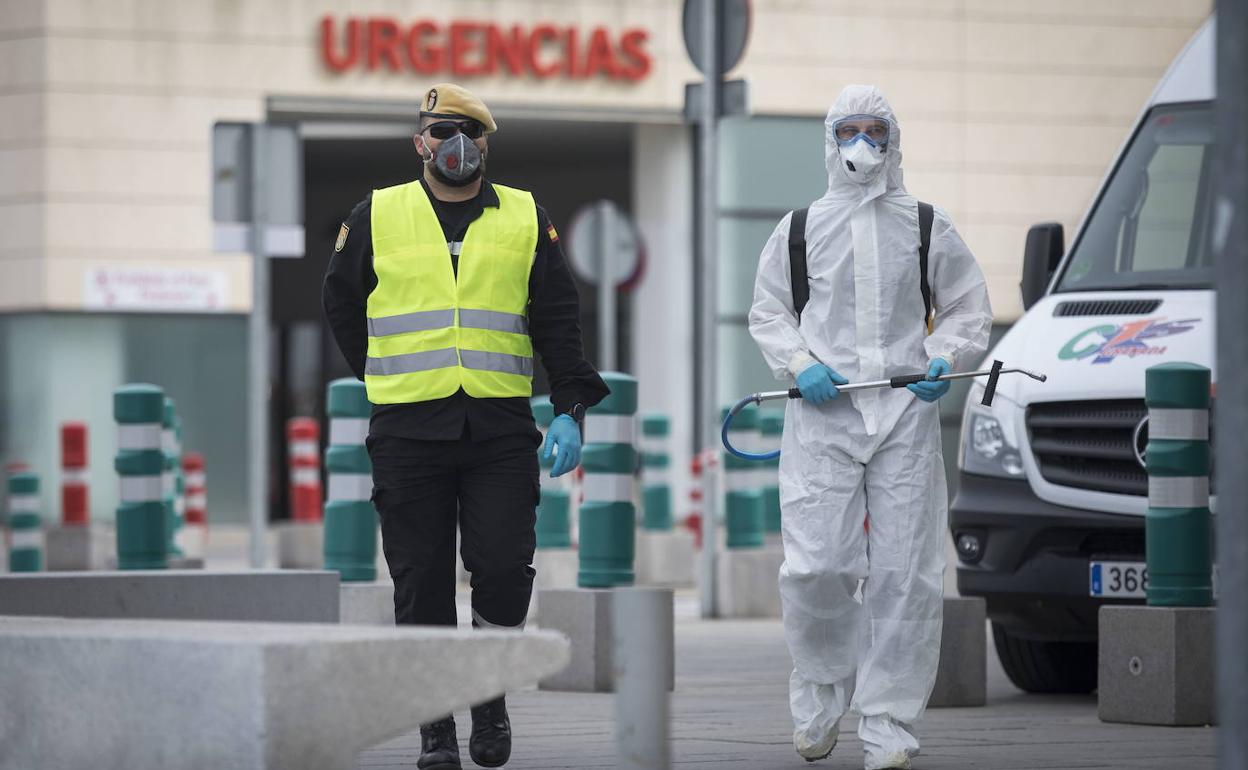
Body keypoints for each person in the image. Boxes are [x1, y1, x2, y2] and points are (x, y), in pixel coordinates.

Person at [323, 82, 608, 770]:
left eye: (470, 133)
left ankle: (488, 695)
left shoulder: (523, 215)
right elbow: (341, 304)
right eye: (443, 131)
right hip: (407, 430)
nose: (457, 145)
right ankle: (434, 728)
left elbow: (558, 318)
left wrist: (569, 407)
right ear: (420, 142)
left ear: (485, 144)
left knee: (505, 570)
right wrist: (386, 375)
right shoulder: (376, 215)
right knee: (419, 582)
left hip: (499, 427)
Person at [748, 85, 992, 770]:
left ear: (893, 139)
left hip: (905, 414)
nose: (863, 142)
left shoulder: (925, 224)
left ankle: (887, 722)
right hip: (823, 414)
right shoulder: (799, 229)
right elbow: (767, 311)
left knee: (906, 574)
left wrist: (945, 357)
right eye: (850, 129)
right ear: (830, 139)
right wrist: (800, 363)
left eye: (875, 130)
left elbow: (969, 306)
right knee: (816, 565)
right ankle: (823, 691)